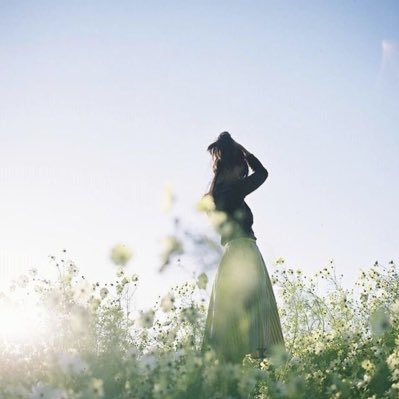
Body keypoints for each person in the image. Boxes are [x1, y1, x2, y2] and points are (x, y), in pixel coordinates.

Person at [201, 131, 285, 364]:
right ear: (231, 169)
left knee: (234, 316)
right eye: (240, 170)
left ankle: (232, 369)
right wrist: (246, 152)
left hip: (231, 254)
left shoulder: (217, 196)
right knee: (253, 314)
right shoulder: (233, 192)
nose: (242, 175)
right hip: (244, 253)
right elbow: (263, 173)